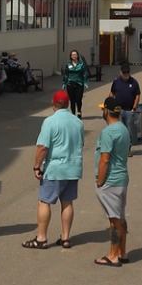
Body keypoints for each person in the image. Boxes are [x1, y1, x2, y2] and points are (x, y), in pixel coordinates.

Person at [28, 90, 85, 249]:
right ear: (67, 104)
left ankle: (41, 238)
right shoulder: (78, 122)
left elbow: (42, 147)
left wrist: (37, 166)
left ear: (54, 104)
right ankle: (65, 237)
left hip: (55, 168)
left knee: (44, 201)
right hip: (73, 168)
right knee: (67, 202)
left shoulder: (50, 122)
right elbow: (81, 144)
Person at [93, 98, 132, 267]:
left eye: (103, 109)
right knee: (120, 218)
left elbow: (105, 159)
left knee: (114, 220)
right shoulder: (123, 129)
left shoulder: (108, 132)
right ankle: (122, 252)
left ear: (107, 112)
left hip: (111, 181)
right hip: (121, 178)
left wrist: (100, 181)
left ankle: (113, 255)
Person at [110, 64, 142, 143]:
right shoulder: (116, 81)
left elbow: (137, 95)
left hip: (129, 110)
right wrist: (109, 103)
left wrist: (134, 107)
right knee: (119, 129)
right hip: (118, 109)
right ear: (120, 72)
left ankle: (128, 147)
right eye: (124, 73)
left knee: (129, 129)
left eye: (127, 73)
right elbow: (112, 93)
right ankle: (120, 146)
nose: (126, 75)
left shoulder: (134, 82)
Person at [62, 50, 90, 117]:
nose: (74, 56)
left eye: (75, 54)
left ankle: (79, 112)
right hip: (70, 84)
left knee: (78, 99)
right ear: (71, 56)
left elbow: (85, 73)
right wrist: (64, 83)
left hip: (79, 84)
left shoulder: (81, 64)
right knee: (72, 100)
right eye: (72, 55)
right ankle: (73, 114)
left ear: (77, 56)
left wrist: (85, 82)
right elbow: (66, 74)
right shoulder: (68, 65)